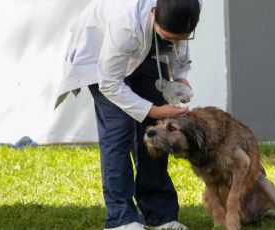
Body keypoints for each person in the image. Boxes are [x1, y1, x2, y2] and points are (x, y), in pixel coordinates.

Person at [54, 0, 201, 229]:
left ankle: (160, 215)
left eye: (180, 36)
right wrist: (153, 109)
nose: (174, 42)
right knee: (119, 130)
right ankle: (121, 219)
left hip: (143, 48)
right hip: (102, 53)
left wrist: (179, 74)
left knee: (156, 129)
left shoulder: (188, 4)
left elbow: (178, 39)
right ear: (155, 13)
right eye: (169, 35)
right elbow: (110, 83)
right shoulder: (126, 21)